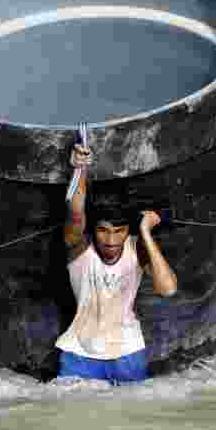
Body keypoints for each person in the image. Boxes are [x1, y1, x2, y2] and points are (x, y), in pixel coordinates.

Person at [57, 144, 178, 384]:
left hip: (128, 354)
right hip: (79, 354)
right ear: (93, 231)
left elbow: (168, 289)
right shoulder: (80, 248)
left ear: (128, 231)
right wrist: (80, 168)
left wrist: (145, 231)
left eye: (119, 231)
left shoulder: (136, 247)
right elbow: (77, 213)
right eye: (103, 231)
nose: (111, 241)